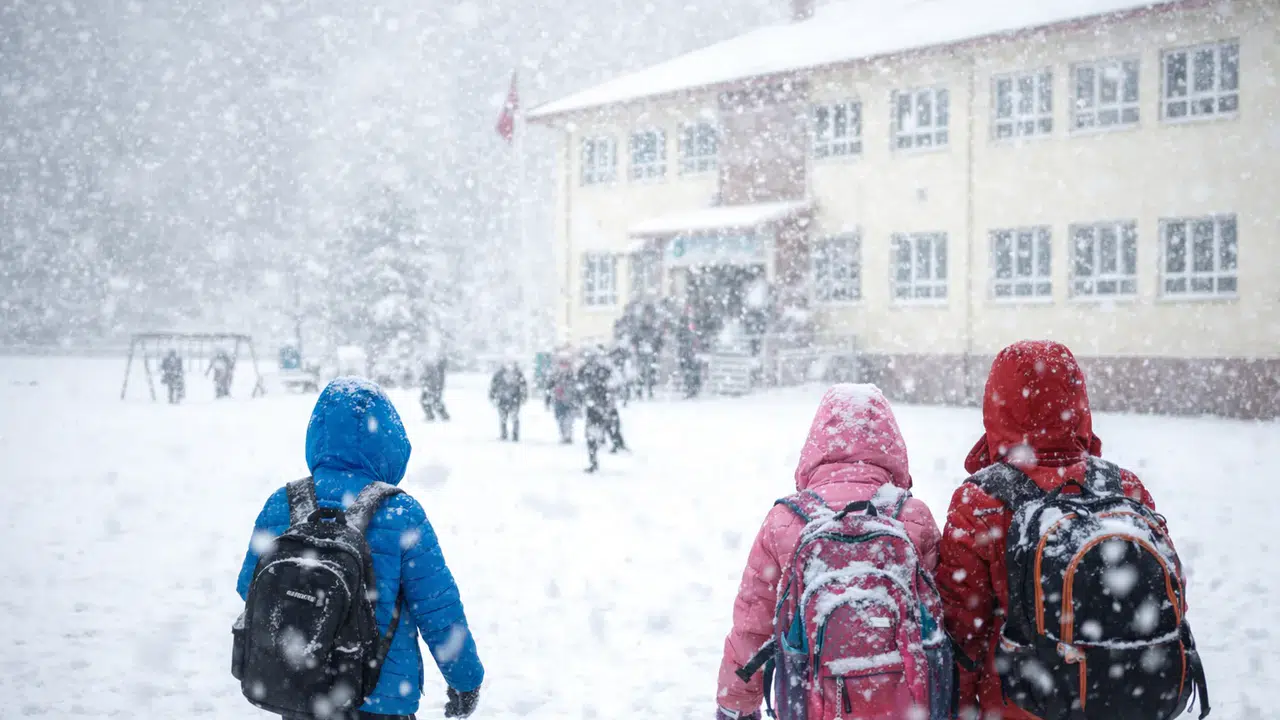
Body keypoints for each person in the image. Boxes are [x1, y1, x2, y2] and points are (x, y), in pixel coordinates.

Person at [936, 341, 1198, 720]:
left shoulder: (981, 501)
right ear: (1078, 402)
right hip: (1128, 697)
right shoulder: (1123, 487)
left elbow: (963, 631)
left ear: (996, 405)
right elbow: (1171, 597)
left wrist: (957, 706)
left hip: (1024, 701)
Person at [235, 378, 483, 719]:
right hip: (382, 695)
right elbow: (438, 608)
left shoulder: (284, 502)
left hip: (302, 689)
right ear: (390, 440)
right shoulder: (400, 513)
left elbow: (249, 586)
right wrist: (465, 680)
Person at [715, 384, 942, 720]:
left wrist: (735, 705)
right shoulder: (912, 515)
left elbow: (752, 627)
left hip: (811, 699)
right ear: (893, 445)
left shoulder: (786, 519)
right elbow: (944, 620)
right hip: (902, 702)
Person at [576, 347, 624, 473]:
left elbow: (614, 385)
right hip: (594, 406)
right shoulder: (586, 371)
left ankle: (610, 446)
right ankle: (594, 459)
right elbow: (580, 388)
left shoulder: (603, 371)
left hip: (601, 405)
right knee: (592, 434)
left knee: (605, 428)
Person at [489, 362, 528, 442]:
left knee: (510, 417)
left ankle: (511, 434)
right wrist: (492, 396)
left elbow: (523, 386)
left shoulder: (516, 374)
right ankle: (509, 434)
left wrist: (493, 396)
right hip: (508, 399)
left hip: (510, 399)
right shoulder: (501, 374)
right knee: (507, 417)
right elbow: (494, 386)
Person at [545, 353, 578, 444]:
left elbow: (578, 388)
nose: (564, 366)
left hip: (570, 399)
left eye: (566, 363)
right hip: (558, 399)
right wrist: (547, 400)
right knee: (560, 419)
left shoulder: (573, 374)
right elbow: (549, 387)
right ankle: (564, 434)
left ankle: (568, 435)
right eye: (562, 363)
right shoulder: (555, 374)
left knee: (569, 419)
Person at [419, 356, 450, 422]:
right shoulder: (436, 369)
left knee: (432, 401)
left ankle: (437, 415)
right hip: (432, 387)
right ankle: (440, 415)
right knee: (431, 401)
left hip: (432, 387)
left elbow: (430, 377)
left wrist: (426, 382)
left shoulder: (435, 368)